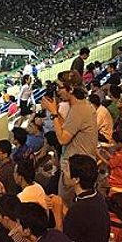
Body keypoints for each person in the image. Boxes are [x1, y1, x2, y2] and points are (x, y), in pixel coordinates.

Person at [45, 70, 98, 206]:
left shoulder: (79, 109)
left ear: (71, 89)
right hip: (79, 168)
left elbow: (62, 139)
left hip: (75, 171)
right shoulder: (79, 106)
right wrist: (56, 111)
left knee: (66, 208)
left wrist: (54, 114)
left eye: (60, 87)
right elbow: (67, 129)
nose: (57, 91)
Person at [62, 154, 108, 242]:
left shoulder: (81, 208)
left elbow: (63, 241)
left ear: (76, 179)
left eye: (67, 170)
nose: (64, 172)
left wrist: (56, 210)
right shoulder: (96, 196)